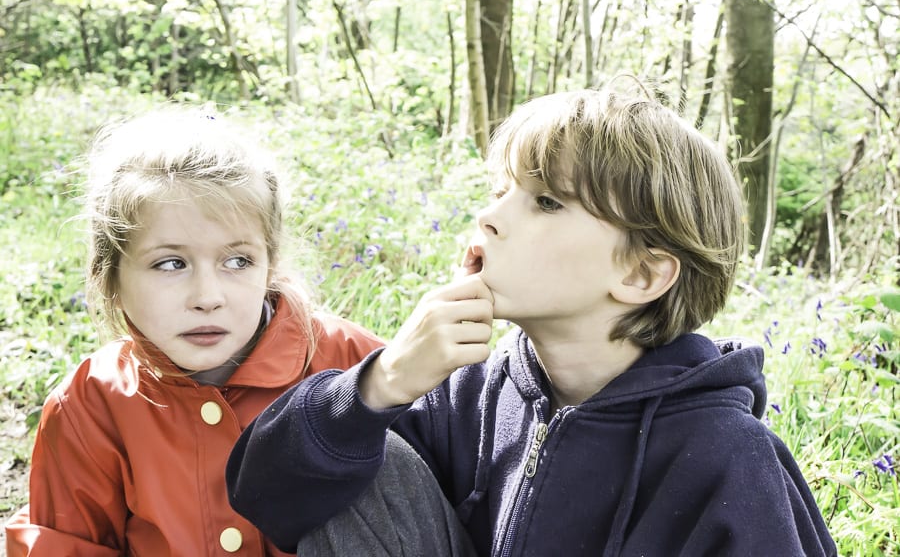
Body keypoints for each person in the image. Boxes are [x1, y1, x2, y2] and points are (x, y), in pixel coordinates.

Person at [226, 82, 837, 556]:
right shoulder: (465, 396)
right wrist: (380, 384)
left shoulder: (726, 457)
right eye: (500, 190)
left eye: (545, 201)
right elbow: (266, 497)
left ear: (642, 275)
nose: (490, 218)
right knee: (356, 453)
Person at [4, 106, 383, 556]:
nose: (208, 296)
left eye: (237, 261)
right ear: (112, 277)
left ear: (270, 264)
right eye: (171, 263)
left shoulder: (354, 364)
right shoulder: (91, 405)